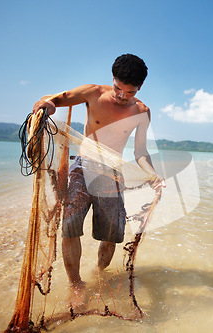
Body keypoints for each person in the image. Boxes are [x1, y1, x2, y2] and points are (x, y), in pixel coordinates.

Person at [32, 54, 165, 302]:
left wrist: (152, 174)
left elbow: (140, 152)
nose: (122, 95)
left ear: (139, 88)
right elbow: (56, 99)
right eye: (118, 88)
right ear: (112, 78)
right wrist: (48, 106)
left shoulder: (142, 112)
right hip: (83, 167)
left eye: (129, 91)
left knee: (110, 235)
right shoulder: (93, 93)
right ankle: (75, 284)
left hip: (112, 175)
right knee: (70, 228)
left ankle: (99, 274)